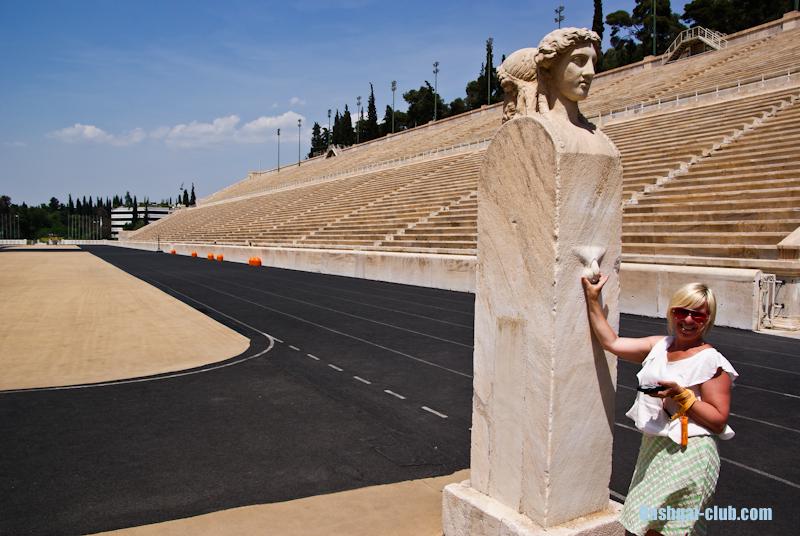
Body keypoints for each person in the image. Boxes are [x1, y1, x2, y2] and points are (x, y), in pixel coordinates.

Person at [582, 276, 738, 536]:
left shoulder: (712, 361)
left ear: (708, 319)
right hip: (655, 449)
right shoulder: (659, 346)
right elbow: (612, 343)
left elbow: (718, 418)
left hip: (690, 453)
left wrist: (683, 397)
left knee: (667, 530)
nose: (688, 320)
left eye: (697, 315)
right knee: (646, 525)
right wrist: (592, 299)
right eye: (681, 311)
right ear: (672, 312)